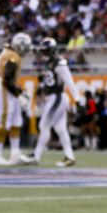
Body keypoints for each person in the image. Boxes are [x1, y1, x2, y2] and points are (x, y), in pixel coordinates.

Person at [22, 38, 77, 167]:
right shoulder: (49, 63)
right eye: (43, 51)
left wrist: (78, 99)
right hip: (53, 98)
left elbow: (69, 81)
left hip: (57, 97)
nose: (44, 53)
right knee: (60, 128)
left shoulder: (60, 63)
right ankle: (69, 157)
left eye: (46, 51)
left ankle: (36, 156)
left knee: (43, 126)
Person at [0, 33, 28, 166]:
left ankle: (15, 154)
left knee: (16, 122)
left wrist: (19, 92)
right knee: (5, 124)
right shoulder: (12, 56)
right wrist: (18, 94)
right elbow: (6, 78)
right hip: (4, 90)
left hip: (8, 89)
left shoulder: (9, 53)